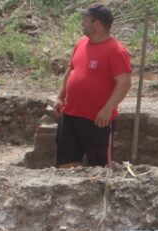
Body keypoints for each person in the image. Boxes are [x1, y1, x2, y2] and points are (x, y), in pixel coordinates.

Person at [51, 3, 132, 168]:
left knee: (99, 168)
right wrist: (60, 97)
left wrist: (108, 109)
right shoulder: (81, 43)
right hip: (70, 115)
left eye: (86, 19)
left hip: (97, 120)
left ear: (97, 24)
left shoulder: (115, 50)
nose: (82, 22)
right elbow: (71, 70)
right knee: (65, 164)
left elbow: (124, 82)